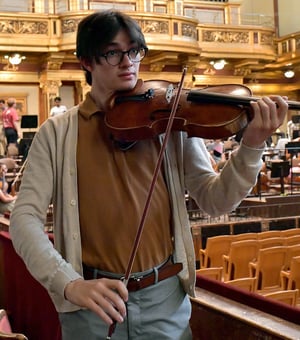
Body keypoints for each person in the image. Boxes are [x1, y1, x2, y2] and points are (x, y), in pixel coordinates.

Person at [10, 10, 288, 340]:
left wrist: (252, 146)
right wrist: (69, 283)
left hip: (165, 300)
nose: (128, 62)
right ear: (87, 61)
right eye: (113, 53)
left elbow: (215, 201)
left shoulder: (168, 121)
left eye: (135, 50)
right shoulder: (56, 133)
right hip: (92, 305)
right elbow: (24, 219)